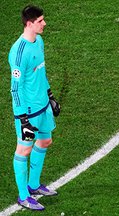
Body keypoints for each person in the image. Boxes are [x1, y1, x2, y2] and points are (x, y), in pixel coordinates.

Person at [8, 5, 60, 211]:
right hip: (28, 112)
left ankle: (34, 185)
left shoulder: (39, 42)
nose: (44, 23)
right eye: (40, 21)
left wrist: (51, 96)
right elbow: (15, 89)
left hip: (43, 106)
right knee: (24, 149)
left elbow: (41, 73)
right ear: (29, 24)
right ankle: (23, 196)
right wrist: (22, 118)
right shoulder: (18, 53)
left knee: (45, 140)